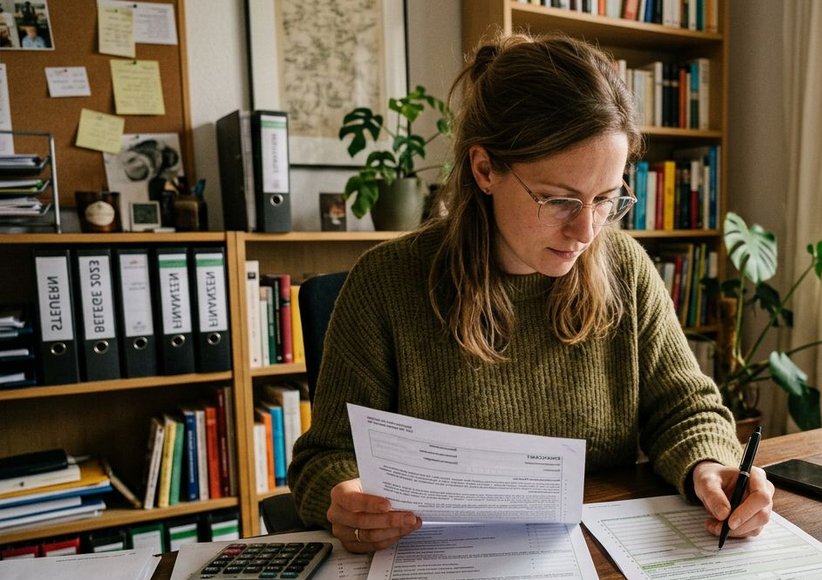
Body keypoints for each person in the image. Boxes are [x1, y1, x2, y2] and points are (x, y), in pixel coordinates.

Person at [288, 33, 775, 553]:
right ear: (484, 170)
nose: (586, 231)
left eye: (606, 199)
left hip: (596, 560)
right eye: (559, 201)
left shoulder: (624, 268)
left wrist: (708, 464)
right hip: (440, 568)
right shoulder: (386, 284)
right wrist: (344, 498)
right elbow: (327, 456)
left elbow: (683, 407)